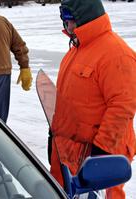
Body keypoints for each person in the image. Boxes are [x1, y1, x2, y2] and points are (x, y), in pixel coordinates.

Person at [50, 0, 136, 198]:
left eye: (70, 19)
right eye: (63, 18)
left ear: (86, 18)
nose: (67, 25)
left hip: (101, 160)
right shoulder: (77, 50)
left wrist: (101, 154)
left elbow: (122, 107)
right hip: (71, 154)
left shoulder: (116, 54)